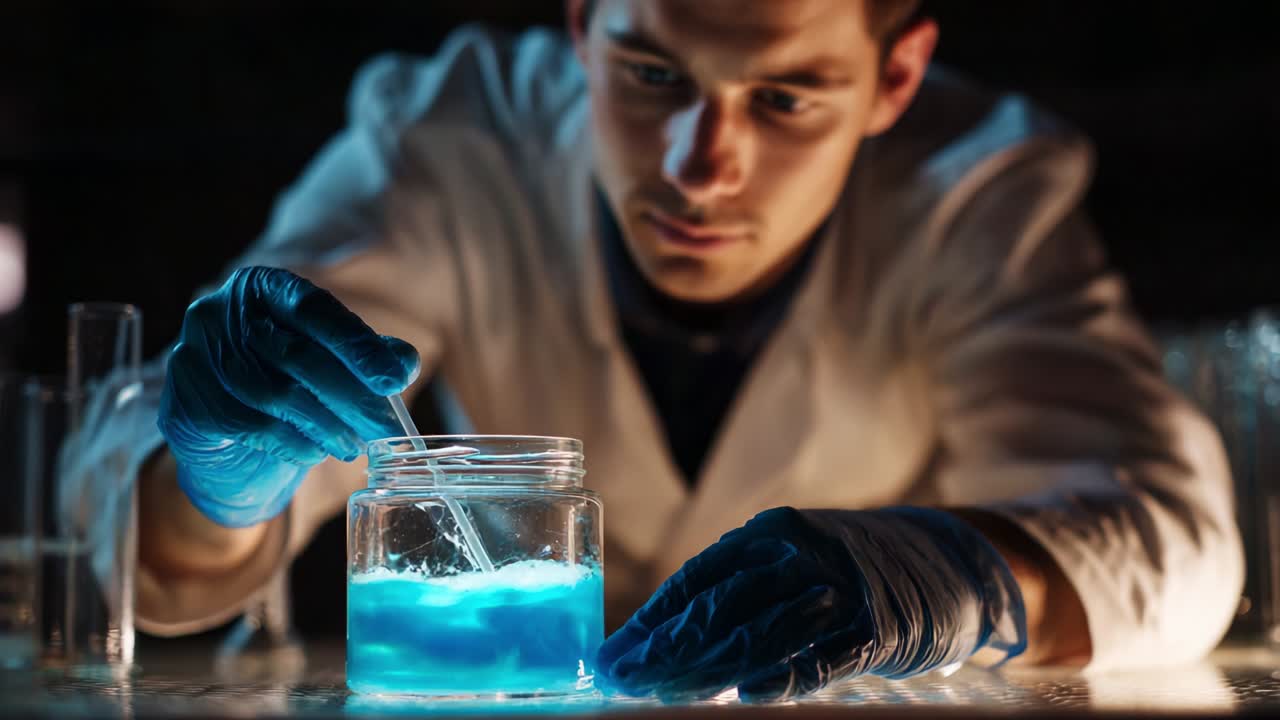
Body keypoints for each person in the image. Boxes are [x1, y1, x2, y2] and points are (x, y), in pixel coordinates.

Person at [102, 0, 1241, 702]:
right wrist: (212, 474)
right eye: (652, 75)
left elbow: (1170, 539)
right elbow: (139, 545)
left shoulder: (976, 191)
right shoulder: (450, 135)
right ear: (580, 19)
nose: (701, 168)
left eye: (786, 97)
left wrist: (935, 575)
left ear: (894, 76)